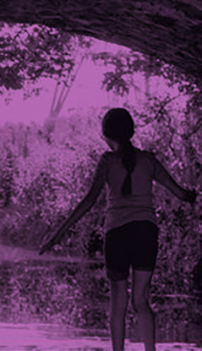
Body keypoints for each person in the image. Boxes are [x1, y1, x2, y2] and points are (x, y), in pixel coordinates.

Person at [39, 108, 197, 351]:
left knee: (118, 305)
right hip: (145, 233)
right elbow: (179, 192)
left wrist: (57, 235)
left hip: (117, 235)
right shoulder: (148, 160)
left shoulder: (107, 161)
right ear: (130, 131)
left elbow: (88, 201)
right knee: (141, 301)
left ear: (106, 135)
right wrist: (191, 196)